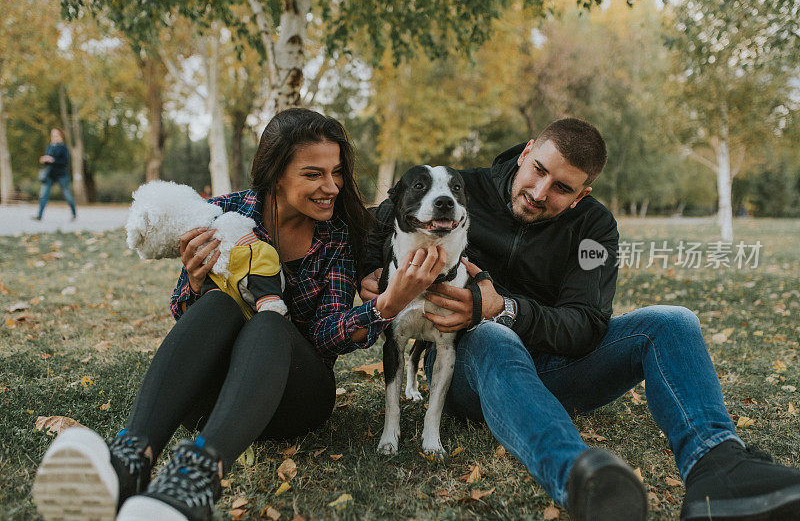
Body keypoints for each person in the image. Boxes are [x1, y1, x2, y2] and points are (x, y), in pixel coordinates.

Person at [361, 118, 800, 521]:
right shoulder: (459, 191)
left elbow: (587, 324)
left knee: (674, 321)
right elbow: (375, 220)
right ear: (527, 150)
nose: (539, 191)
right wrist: (367, 270)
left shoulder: (596, 229)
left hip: (561, 369)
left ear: (582, 194)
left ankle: (720, 470)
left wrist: (504, 307)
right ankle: (579, 478)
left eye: (561, 188)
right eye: (537, 169)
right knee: (493, 336)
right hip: (476, 371)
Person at [33, 108, 445, 521]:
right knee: (218, 302)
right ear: (275, 174)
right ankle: (127, 462)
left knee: (269, 321)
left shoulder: (336, 233)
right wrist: (194, 284)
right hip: (212, 399)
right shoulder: (226, 213)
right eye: (313, 174)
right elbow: (186, 315)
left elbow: (323, 335)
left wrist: (386, 306)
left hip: (296, 396)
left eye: (336, 172)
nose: (332, 186)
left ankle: (193, 483)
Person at [34, 128, 77, 221]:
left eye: (56, 135)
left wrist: (52, 160)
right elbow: (47, 162)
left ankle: (74, 214)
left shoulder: (64, 148)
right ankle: (39, 215)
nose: (54, 137)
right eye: (52, 135)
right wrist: (45, 159)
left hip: (61, 175)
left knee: (67, 195)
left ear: (61, 136)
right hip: (50, 175)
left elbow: (65, 161)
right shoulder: (49, 147)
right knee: (44, 195)